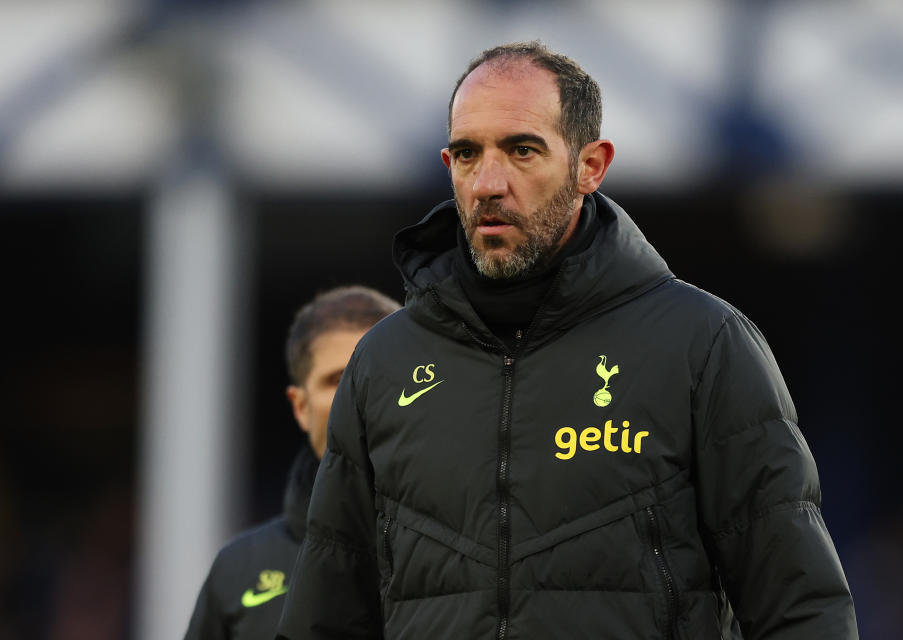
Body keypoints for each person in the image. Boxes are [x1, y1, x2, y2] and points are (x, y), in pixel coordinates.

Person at [276, 41, 858, 639]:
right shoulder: (383, 362)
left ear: (591, 165)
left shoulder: (703, 345)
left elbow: (800, 609)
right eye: (467, 154)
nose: (488, 183)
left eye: (522, 150)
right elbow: (326, 617)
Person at [184, 286, 400, 640]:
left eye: (375, 373)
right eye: (336, 379)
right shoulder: (238, 570)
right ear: (300, 406)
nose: (356, 395)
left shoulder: (466, 546)